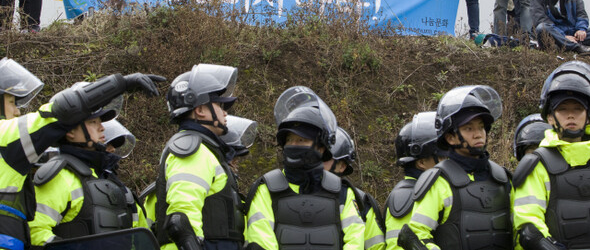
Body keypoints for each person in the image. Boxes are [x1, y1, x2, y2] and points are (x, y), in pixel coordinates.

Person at [0, 64, 163, 250]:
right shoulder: (6, 140)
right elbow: (61, 112)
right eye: (12, 102)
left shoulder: (115, 185)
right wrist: (119, 84)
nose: (18, 111)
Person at [245, 86, 365, 250]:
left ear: (321, 147)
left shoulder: (341, 192)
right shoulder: (266, 189)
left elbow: (355, 242)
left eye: (301, 140)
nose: (294, 145)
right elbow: (260, 240)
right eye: (290, 140)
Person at [144, 64, 245, 250]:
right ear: (200, 110)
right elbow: (182, 218)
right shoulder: (193, 150)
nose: (225, 112)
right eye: (220, 104)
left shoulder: (206, 149)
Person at [28, 92, 148, 247]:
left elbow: (140, 238)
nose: (102, 128)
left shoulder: (114, 183)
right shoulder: (61, 177)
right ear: (70, 132)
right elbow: (35, 231)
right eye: (93, 122)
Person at [400, 85, 512, 250]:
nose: (478, 133)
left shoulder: (502, 178)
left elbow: (519, 231)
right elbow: (418, 234)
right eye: (469, 128)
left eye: (481, 126)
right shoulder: (439, 181)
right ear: (451, 137)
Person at [513, 61, 590, 249]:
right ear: (549, 117)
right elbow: (529, 226)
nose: (570, 116)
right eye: (562, 110)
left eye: (578, 109)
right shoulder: (537, 164)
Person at [385, 112, 443, 250]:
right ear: (421, 162)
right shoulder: (408, 196)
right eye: (441, 156)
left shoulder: (431, 191)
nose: (447, 161)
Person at [324, 126, 385, 250]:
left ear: (342, 166)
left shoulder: (360, 202)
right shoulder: (286, 192)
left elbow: (377, 246)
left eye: (325, 158)